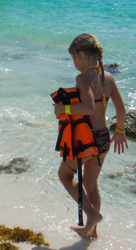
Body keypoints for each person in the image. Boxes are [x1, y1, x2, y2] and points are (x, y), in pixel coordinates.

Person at [53, 33, 128, 239]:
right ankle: (91, 230)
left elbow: (86, 108)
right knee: (90, 183)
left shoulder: (83, 77)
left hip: (87, 139)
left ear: (79, 55)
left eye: (73, 58)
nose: (75, 64)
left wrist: (63, 108)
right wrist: (119, 132)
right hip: (103, 137)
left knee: (65, 175)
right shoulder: (109, 77)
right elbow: (121, 109)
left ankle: (92, 215)